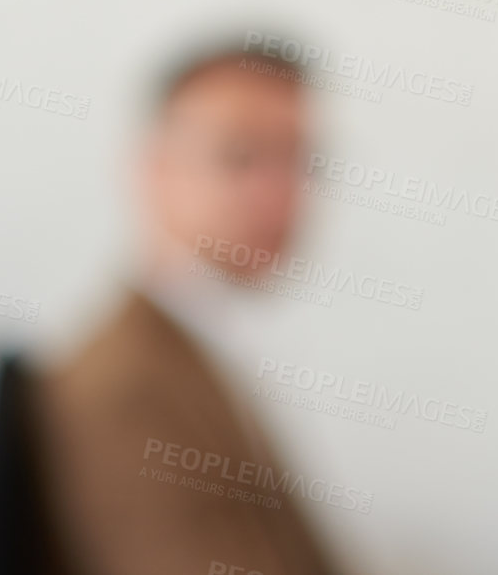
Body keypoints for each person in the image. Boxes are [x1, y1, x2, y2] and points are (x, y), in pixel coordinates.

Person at [32, 39, 343, 575]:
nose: (282, 192)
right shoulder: (122, 387)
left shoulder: (203, 349)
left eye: (300, 159)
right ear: (155, 171)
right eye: (240, 156)